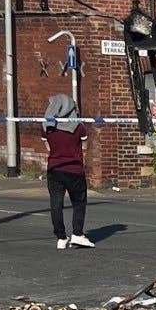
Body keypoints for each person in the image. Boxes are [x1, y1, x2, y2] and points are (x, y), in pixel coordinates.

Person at [42, 95, 94, 249]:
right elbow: (85, 146)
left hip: (54, 169)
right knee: (79, 202)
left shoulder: (47, 127)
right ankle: (77, 234)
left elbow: (48, 148)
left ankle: (61, 237)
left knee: (56, 204)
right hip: (74, 169)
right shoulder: (78, 127)